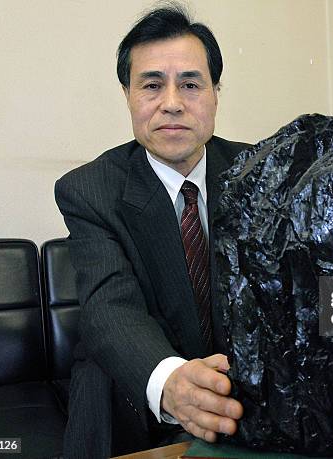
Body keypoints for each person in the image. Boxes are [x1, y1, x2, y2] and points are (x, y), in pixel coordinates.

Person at [55, 5, 248, 458]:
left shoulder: (259, 172)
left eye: (190, 84)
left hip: (241, 388)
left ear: (215, 94)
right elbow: (109, 307)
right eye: (152, 85)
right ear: (128, 95)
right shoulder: (89, 190)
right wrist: (169, 381)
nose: (172, 102)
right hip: (130, 386)